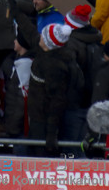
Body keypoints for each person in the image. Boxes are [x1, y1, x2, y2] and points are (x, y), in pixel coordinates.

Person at [27, 23, 74, 157]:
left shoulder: (54, 68)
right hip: (37, 117)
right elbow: (29, 31)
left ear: (48, 44)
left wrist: (51, 133)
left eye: (43, 35)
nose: (40, 36)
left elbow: (57, 101)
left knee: (39, 159)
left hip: (44, 123)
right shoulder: (44, 53)